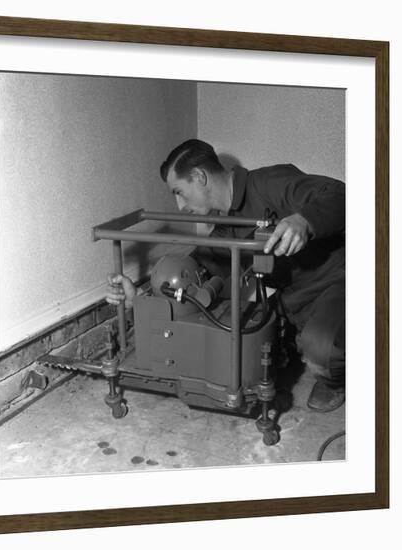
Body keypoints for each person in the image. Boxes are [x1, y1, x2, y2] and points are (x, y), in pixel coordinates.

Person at [106, 139, 345, 413]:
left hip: (334, 284)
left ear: (199, 177)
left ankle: (334, 380)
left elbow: (340, 194)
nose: (180, 205)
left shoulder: (268, 182)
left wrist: (304, 221)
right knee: (245, 328)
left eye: (180, 192)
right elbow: (192, 273)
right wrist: (138, 297)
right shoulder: (225, 227)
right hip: (287, 300)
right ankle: (294, 342)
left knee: (320, 349)